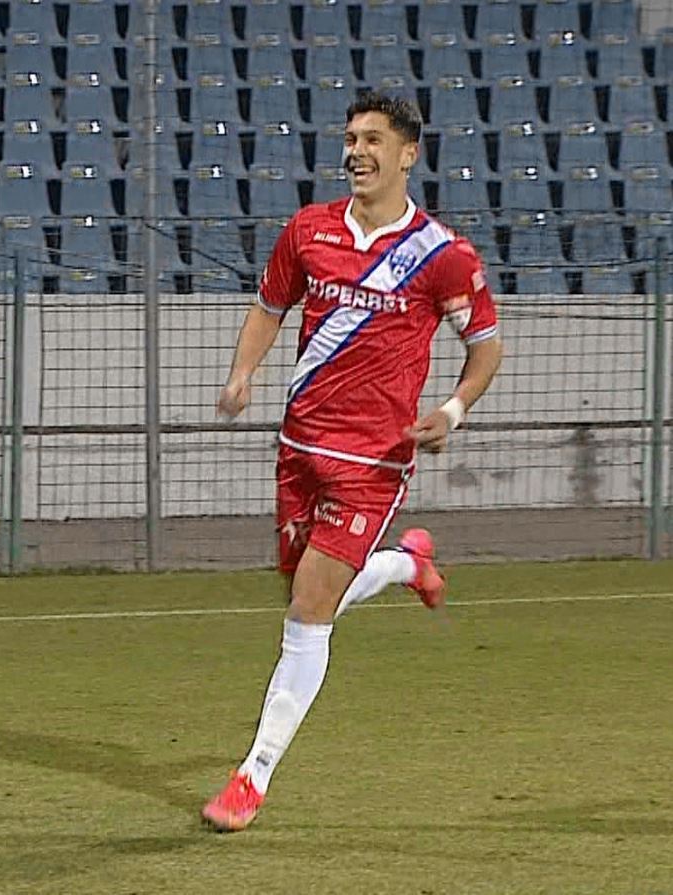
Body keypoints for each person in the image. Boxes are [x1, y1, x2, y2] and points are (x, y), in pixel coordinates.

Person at [202, 92, 505, 832]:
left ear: (408, 154)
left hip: (373, 460)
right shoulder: (307, 230)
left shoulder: (443, 255)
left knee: (308, 614)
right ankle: (407, 565)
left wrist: (452, 411)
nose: (356, 151)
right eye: (348, 138)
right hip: (298, 446)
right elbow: (268, 308)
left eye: (372, 138)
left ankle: (252, 775)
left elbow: (485, 345)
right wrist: (242, 372)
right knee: (307, 592)